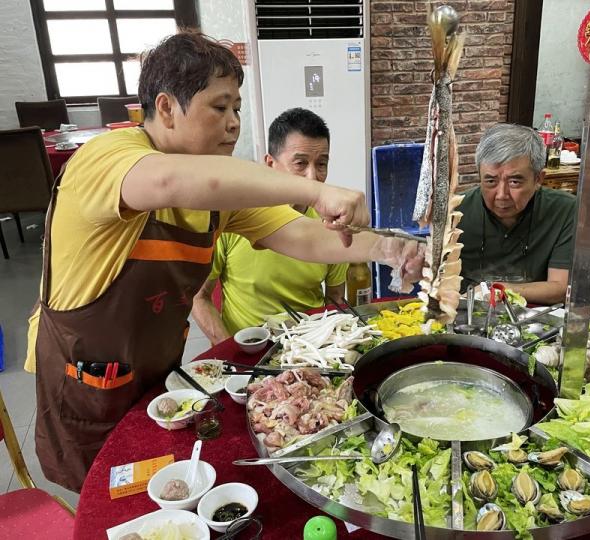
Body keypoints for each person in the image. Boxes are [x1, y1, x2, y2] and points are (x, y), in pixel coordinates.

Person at [25, 31, 423, 492]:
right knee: (107, 498)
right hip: (88, 378)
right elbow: (167, 182)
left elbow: (304, 236)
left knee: (161, 488)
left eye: (237, 109)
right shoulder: (107, 158)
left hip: (156, 371)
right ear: (168, 107)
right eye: (220, 108)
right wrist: (315, 189)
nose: (234, 124)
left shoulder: (216, 193)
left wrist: (388, 248)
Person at [192, 108, 348, 343]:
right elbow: (199, 297)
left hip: (309, 349)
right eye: (300, 163)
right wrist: (229, 353)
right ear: (270, 164)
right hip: (247, 350)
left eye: (321, 164)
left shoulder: (334, 227)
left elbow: (335, 300)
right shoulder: (233, 218)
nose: (312, 177)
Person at [457, 124, 576, 304]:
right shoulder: (457, 210)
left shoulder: (564, 210)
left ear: (538, 179)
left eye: (514, 182)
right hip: (466, 317)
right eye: (490, 181)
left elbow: (561, 288)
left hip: (536, 318)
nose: (501, 195)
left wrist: (496, 289)